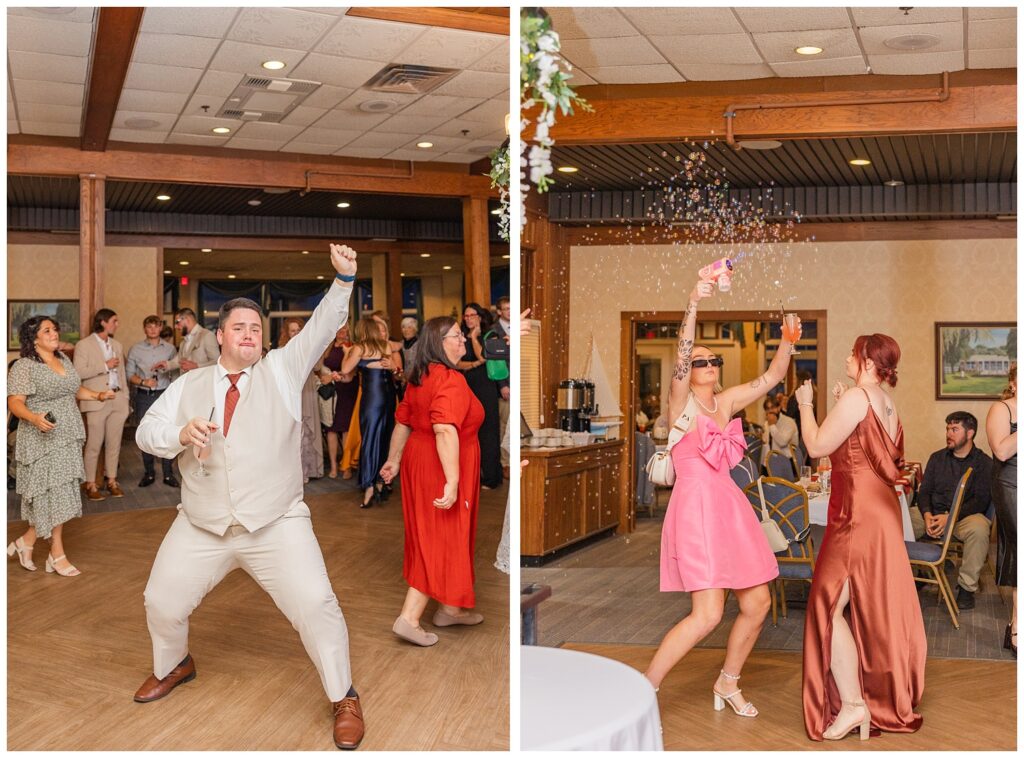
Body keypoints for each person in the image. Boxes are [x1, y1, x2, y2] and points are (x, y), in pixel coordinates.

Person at [133, 244, 364, 749]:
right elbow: (146, 432)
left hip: (276, 524)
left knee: (316, 602)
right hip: (201, 524)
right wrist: (178, 435)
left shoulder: (282, 370)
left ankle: (343, 694)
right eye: (239, 327)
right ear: (219, 337)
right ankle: (174, 664)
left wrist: (343, 281)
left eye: (256, 329)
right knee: (161, 601)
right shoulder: (189, 384)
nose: (250, 334)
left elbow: (324, 325)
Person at [644, 280, 800, 719]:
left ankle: (728, 681)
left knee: (758, 603)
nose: (708, 365)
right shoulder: (681, 403)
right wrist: (693, 302)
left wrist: (787, 343)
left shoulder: (726, 402)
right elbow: (680, 354)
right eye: (700, 361)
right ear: (688, 371)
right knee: (708, 614)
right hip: (695, 511)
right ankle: (644, 689)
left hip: (730, 510)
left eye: (714, 360)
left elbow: (771, 378)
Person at [797, 334, 925, 741]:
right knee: (862, 603)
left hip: (856, 517)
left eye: (853, 354)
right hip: (879, 509)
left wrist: (804, 404)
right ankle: (861, 699)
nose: (846, 358)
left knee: (826, 603)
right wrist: (844, 399)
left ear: (867, 360)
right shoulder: (885, 401)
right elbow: (863, 443)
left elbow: (817, 445)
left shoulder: (857, 399)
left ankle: (854, 705)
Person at [379, 316, 485, 646]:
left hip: (418, 461)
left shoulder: (421, 377)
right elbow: (443, 429)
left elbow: (403, 422)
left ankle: (450, 609)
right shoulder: (450, 379)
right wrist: (453, 480)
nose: (464, 340)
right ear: (439, 343)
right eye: (457, 336)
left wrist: (393, 460)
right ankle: (409, 618)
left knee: (441, 534)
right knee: (438, 537)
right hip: (442, 465)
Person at [7, 316, 115, 576]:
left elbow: (73, 390)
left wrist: (98, 395)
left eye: (55, 328)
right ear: (34, 339)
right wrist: (34, 418)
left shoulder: (64, 360)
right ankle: (56, 555)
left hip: (67, 435)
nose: (54, 333)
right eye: (47, 330)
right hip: (41, 438)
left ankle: (26, 542)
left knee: (62, 493)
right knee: (50, 495)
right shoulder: (24, 366)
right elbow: (14, 402)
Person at [910, 411, 994, 610]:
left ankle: (966, 587)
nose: (949, 433)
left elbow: (980, 502)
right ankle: (919, 572)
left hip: (963, 517)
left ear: (970, 433)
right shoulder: (937, 458)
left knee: (980, 529)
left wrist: (950, 518)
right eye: (948, 428)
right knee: (896, 520)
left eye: (955, 429)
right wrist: (928, 515)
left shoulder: (984, 463)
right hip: (932, 514)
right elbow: (924, 492)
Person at [73, 308, 132, 501]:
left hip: (118, 400)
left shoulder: (117, 344)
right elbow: (78, 373)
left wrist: (126, 398)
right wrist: (105, 366)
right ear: (103, 322)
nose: (117, 324)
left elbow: (122, 374)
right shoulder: (84, 345)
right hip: (96, 400)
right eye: (114, 321)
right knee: (93, 445)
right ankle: (90, 484)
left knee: (114, 444)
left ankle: (112, 481)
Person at [342, 316, 398, 507]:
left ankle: (369, 486)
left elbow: (345, 369)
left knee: (369, 440)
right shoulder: (385, 346)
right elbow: (392, 371)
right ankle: (381, 483)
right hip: (388, 397)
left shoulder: (359, 348)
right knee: (384, 439)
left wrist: (347, 352)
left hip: (372, 400)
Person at [127, 315, 179, 487]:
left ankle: (168, 474)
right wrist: (143, 382)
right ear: (145, 329)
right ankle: (149, 473)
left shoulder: (170, 349)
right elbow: (129, 375)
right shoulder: (135, 349)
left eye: (156, 326)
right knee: (145, 432)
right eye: (149, 327)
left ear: (160, 328)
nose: (153, 330)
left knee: (167, 432)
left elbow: (176, 371)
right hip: (144, 396)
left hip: (164, 395)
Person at [987, 363, 1017, 657]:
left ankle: (1014, 625)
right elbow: (1002, 450)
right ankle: (1018, 626)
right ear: (1013, 382)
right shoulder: (1002, 409)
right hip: (1010, 484)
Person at [457, 302, 502, 489]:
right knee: (467, 431)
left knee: (488, 431)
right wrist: (474, 364)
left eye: (472, 315)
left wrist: (475, 338)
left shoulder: (489, 334)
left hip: (485, 386)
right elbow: (457, 363)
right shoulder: (459, 337)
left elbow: (484, 357)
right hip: (465, 385)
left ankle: (492, 476)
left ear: (480, 316)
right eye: (465, 316)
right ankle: (471, 475)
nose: (468, 319)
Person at [279, 317, 324, 482]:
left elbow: (318, 367)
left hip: (308, 389)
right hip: (293, 391)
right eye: (293, 330)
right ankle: (296, 472)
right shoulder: (283, 349)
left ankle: (309, 469)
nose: (296, 333)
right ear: (287, 333)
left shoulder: (309, 347)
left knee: (308, 429)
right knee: (295, 430)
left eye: (299, 330)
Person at [320, 325, 359, 479]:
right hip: (330, 391)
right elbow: (319, 366)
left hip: (347, 389)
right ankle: (334, 466)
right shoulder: (328, 347)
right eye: (340, 330)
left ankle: (347, 465)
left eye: (345, 330)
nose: (342, 332)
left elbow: (352, 369)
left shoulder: (352, 347)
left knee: (345, 428)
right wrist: (327, 376)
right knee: (331, 428)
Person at [152, 307, 219, 376]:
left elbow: (217, 362)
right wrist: (166, 364)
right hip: (187, 383)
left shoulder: (207, 335)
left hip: (202, 384)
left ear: (187, 319)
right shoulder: (183, 342)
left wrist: (197, 366)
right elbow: (179, 360)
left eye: (177, 322)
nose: (175, 327)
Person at [493, 297, 512, 477]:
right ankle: (505, 463)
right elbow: (496, 360)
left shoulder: (518, 329)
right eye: (506, 309)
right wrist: (503, 385)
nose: (509, 312)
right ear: (499, 311)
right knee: (505, 425)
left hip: (519, 383)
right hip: (505, 385)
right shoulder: (494, 331)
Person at [761, 397, 798, 469]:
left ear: (779, 407)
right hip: (770, 460)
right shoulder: (766, 423)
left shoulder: (789, 422)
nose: (770, 411)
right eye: (767, 409)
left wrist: (772, 425)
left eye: (772, 407)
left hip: (786, 461)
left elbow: (782, 442)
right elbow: (766, 442)